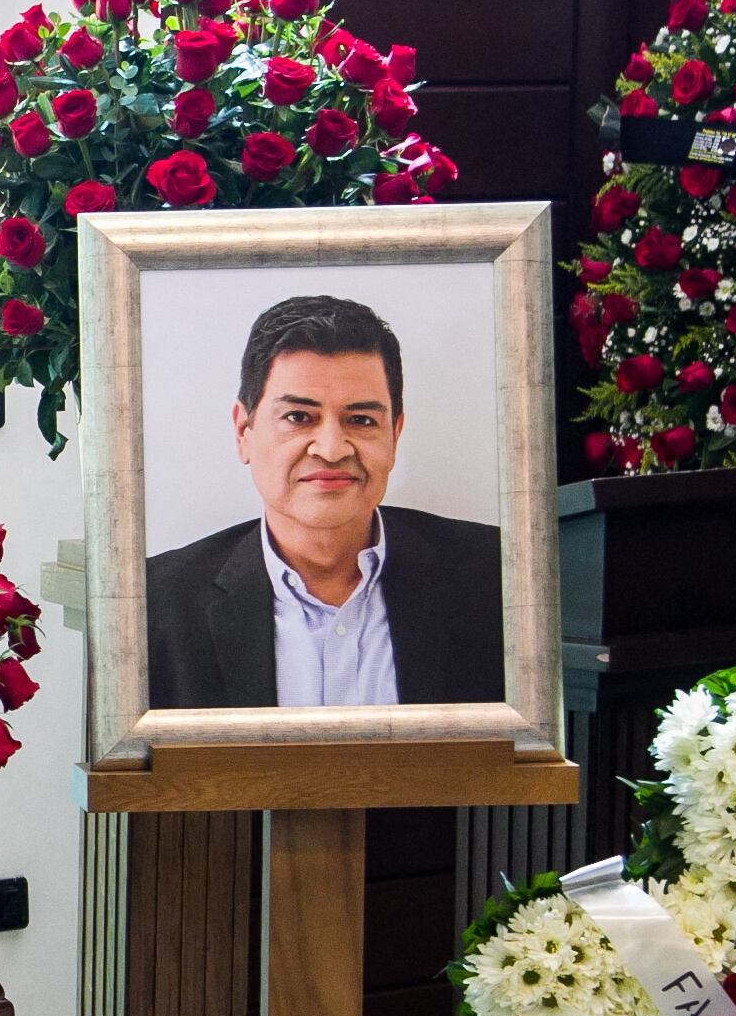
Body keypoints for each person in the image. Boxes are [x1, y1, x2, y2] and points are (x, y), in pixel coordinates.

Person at [145, 293, 503, 710]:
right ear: (244, 431)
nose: (332, 449)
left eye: (361, 420)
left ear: (394, 435)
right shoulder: (158, 602)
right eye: (299, 417)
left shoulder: (497, 577)